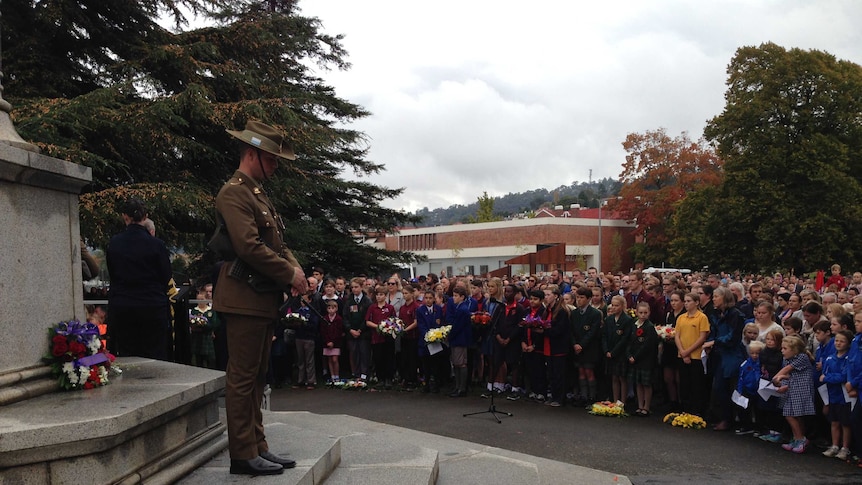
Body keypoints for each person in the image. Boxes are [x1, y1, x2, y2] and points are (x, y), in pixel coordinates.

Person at [214, 120, 307, 476]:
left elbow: (278, 245)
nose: (276, 166)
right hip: (243, 298)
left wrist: (296, 272)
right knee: (242, 377)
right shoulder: (234, 192)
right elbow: (249, 247)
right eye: (272, 159)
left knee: (255, 378)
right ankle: (242, 453)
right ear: (252, 153)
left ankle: (257, 446)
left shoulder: (255, 193)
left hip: (258, 299)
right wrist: (289, 275)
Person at [106, 197, 172, 360]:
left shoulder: (114, 244)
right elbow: (166, 276)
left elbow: (113, 274)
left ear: (125, 216)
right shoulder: (157, 245)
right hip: (152, 306)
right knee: (154, 355)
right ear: (146, 216)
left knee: (128, 355)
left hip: (124, 306)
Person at [702, 286, 746, 431]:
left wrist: (715, 342)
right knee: (718, 388)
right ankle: (722, 417)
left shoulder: (736, 315)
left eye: (716, 296)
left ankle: (731, 419)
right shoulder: (715, 313)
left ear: (725, 298)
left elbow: (733, 337)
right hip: (718, 354)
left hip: (732, 355)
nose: (714, 299)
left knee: (728, 388)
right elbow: (713, 331)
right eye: (713, 296)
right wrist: (710, 342)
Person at [772, 335, 816, 454]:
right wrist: (781, 383)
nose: (782, 351)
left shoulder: (802, 357)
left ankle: (800, 439)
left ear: (794, 349)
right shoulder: (786, 358)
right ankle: (797, 438)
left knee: (790, 415)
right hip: (791, 388)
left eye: (785, 348)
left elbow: (786, 371)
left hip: (801, 389)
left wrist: (775, 379)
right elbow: (788, 375)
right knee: (795, 415)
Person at [820, 329, 853, 460]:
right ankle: (834, 445)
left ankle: (845, 448)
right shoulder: (830, 358)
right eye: (837, 341)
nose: (838, 343)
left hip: (844, 395)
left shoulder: (848, 358)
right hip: (832, 394)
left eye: (842, 341)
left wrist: (828, 378)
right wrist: (829, 377)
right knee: (834, 422)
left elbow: (843, 377)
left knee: (845, 423)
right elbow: (823, 375)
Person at [571, 286, 603, 405]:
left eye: (582, 297)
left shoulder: (595, 313)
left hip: (589, 348)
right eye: (578, 297)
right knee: (581, 371)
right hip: (577, 347)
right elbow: (571, 331)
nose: (579, 300)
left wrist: (581, 345)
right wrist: (574, 344)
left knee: (589, 371)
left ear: (589, 299)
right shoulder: (574, 313)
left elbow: (593, 332)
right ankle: (583, 395)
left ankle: (592, 396)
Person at [627, 301, 659, 416]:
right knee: (638, 383)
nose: (643, 315)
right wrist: (629, 355)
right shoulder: (634, 325)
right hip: (634, 359)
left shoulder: (649, 327)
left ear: (649, 313)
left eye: (645, 312)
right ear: (636, 312)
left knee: (646, 384)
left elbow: (647, 345)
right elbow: (629, 341)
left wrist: (635, 356)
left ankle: (646, 406)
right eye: (641, 312)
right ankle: (640, 405)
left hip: (645, 360)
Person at [602, 295, 633, 405]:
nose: (614, 308)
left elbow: (625, 339)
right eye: (613, 305)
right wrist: (606, 350)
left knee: (622, 378)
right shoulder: (609, 319)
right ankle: (615, 401)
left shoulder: (627, 320)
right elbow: (604, 336)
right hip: (609, 352)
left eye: (617, 305)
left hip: (620, 353)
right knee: (614, 377)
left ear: (622, 306)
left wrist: (614, 352)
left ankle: (622, 402)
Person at [366, 285, 397, 389]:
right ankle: (380, 379)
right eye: (377, 295)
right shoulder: (372, 307)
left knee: (389, 357)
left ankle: (389, 378)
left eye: (381, 295)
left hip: (388, 338)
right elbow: (368, 321)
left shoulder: (390, 308)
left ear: (385, 296)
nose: (379, 297)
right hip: (376, 337)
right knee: (378, 358)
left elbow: (394, 321)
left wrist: (388, 328)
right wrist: (379, 327)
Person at [344, 277, 372, 380]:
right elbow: (345, 317)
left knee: (364, 353)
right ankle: (356, 374)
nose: (354, 289)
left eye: (356, 287)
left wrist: (360, 330)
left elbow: (367, 317)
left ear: (361, 287)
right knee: (354, 353)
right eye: (352, 287)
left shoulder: (367, 301)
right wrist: (350, 330)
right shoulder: (348, 300)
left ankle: (364, 374)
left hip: (363, 333)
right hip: (351, 333)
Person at [447, 286, 473, 397]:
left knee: (461, 363)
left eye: (456, 296)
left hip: (460, 339)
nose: (454, 298)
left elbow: (458, 326)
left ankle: (461, 388)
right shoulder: (460, 307)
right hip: (457, 339)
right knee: (456, 363)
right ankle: (458, 386)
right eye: (453, 295)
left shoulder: (463, 309)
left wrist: (450, 335)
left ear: (462, 297)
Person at [320, 299, 344, 384]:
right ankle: (332, 376)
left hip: (336, 343)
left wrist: (333, 342)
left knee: (335, 359)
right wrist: (327, 341)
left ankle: (337, 375)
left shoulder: (339, 319)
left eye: (333, 308)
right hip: (327, 342)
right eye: (329, 308)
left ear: (336, 309)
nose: (331, 310)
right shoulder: (325, 319)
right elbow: (323, 331)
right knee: (329, 359)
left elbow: (339, 332)